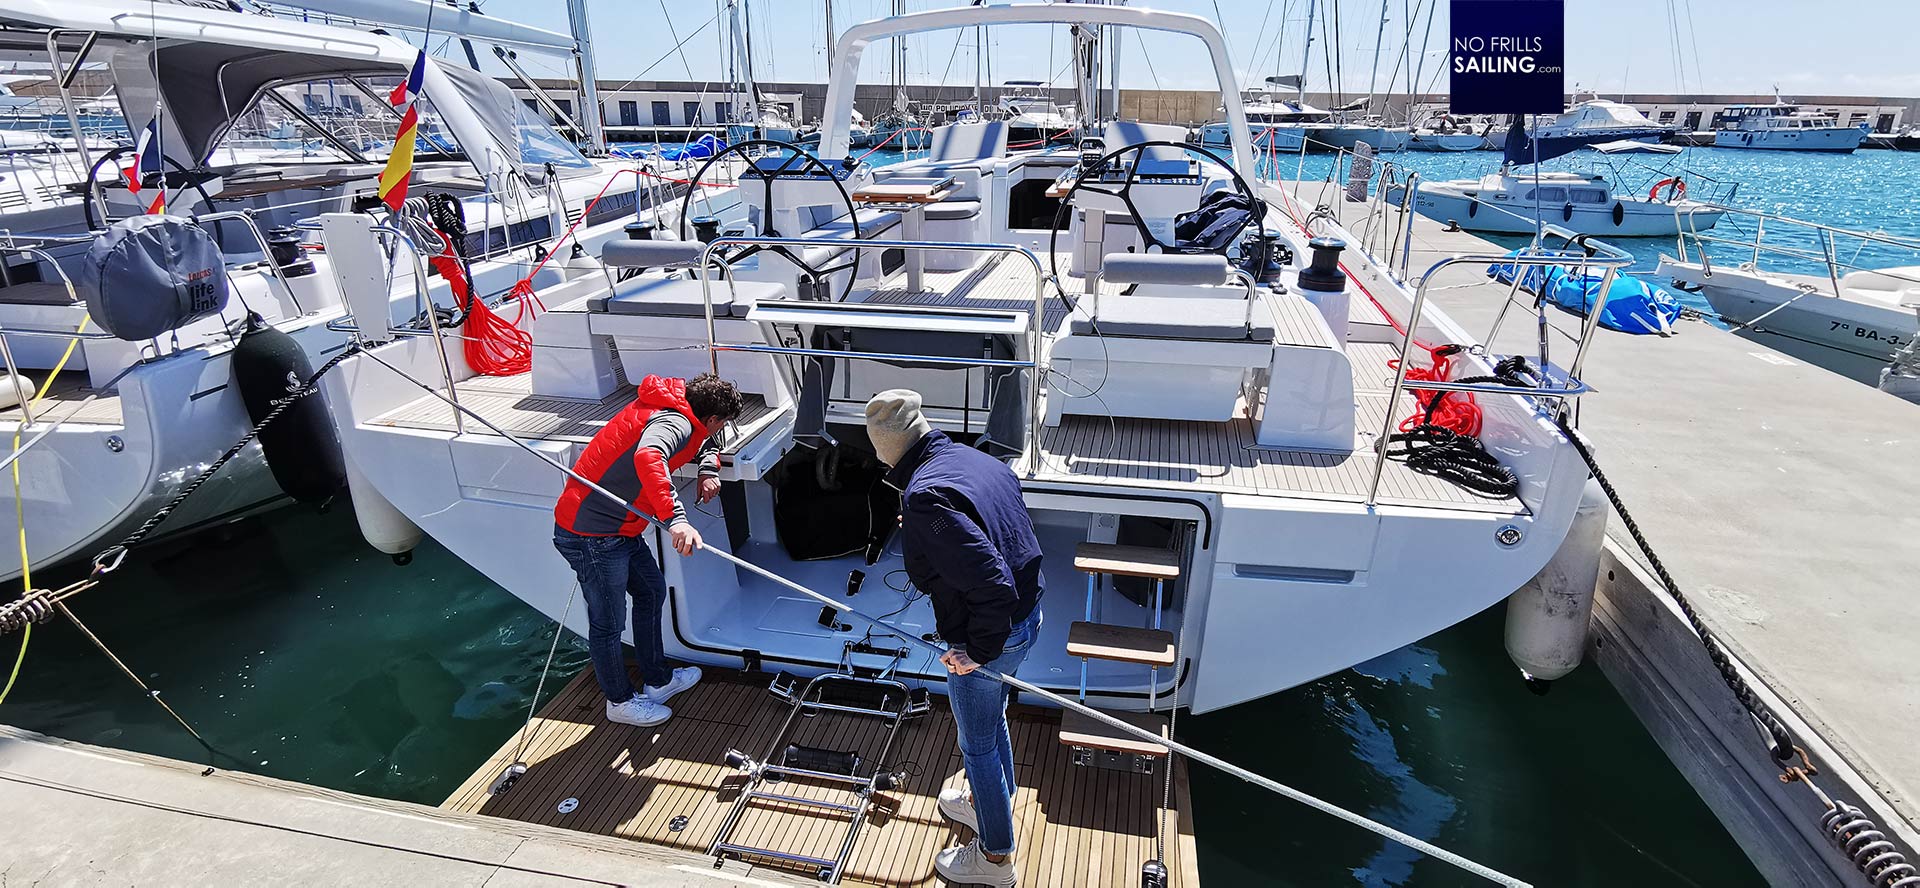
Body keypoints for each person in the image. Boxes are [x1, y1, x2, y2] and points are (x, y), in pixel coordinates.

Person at [866, 389, 1042, 888]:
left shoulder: (923, 496)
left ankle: (994, 858)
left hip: (990, 636)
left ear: (886, 449)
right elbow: (997, 533)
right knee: (993, 720)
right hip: (1028, 618)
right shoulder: (973, 459)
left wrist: (976, 652)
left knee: (977, 745)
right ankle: (993, 801)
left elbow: (990, 582)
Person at [553, 373, 743, 727]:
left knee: (651, 592)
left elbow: (707, 441)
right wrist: (678, 519)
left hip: (619, 530)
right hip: (591, 535)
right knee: (608, 624)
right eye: (722, 422)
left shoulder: (680, 407)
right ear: (712, 417)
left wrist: (706, 469)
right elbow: (649, 455)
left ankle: (658, 680)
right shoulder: (673, 421)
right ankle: (620, 702)